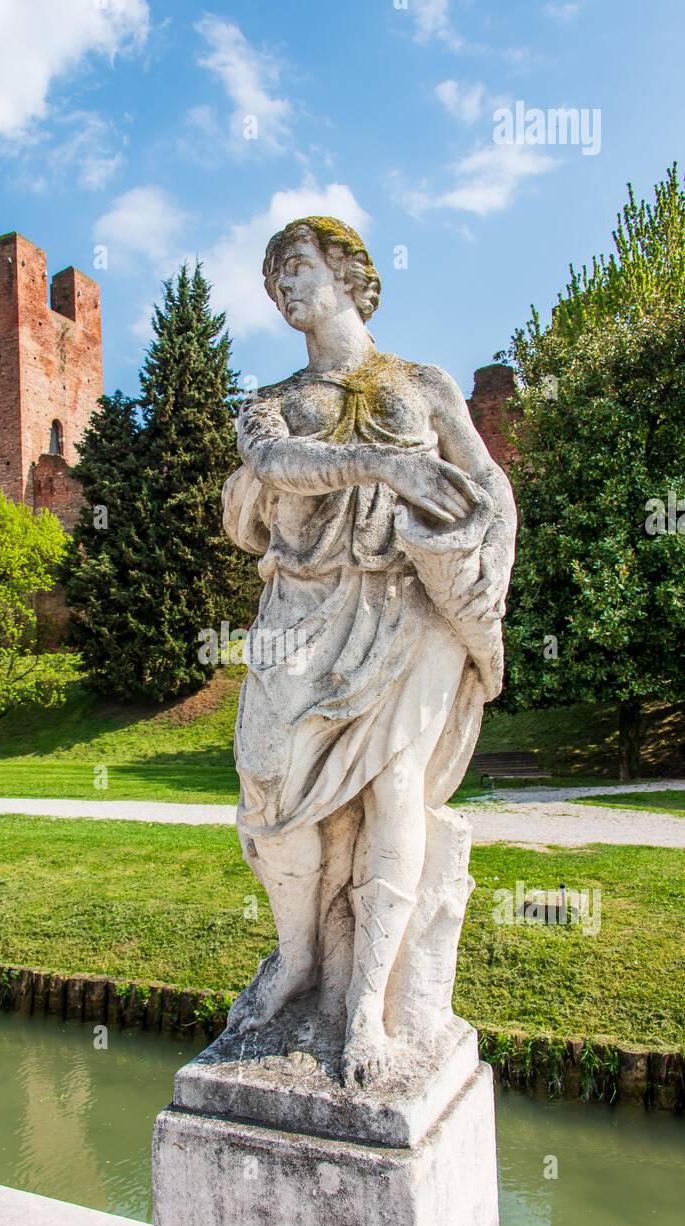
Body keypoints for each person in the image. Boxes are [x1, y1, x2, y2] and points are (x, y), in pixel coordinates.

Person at [223, 216, 516, 1085]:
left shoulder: (419, 382)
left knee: (395, 790)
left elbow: (486, 479)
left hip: (408, 602)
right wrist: (386, 468)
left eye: (299, 267)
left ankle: (367, 1013)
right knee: (268, 775)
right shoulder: (268, 401)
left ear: (350, 274)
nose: (285, 288)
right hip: (304, 606)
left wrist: (482, 556)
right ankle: (300, 956)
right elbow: (273, 462)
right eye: (274, 278)